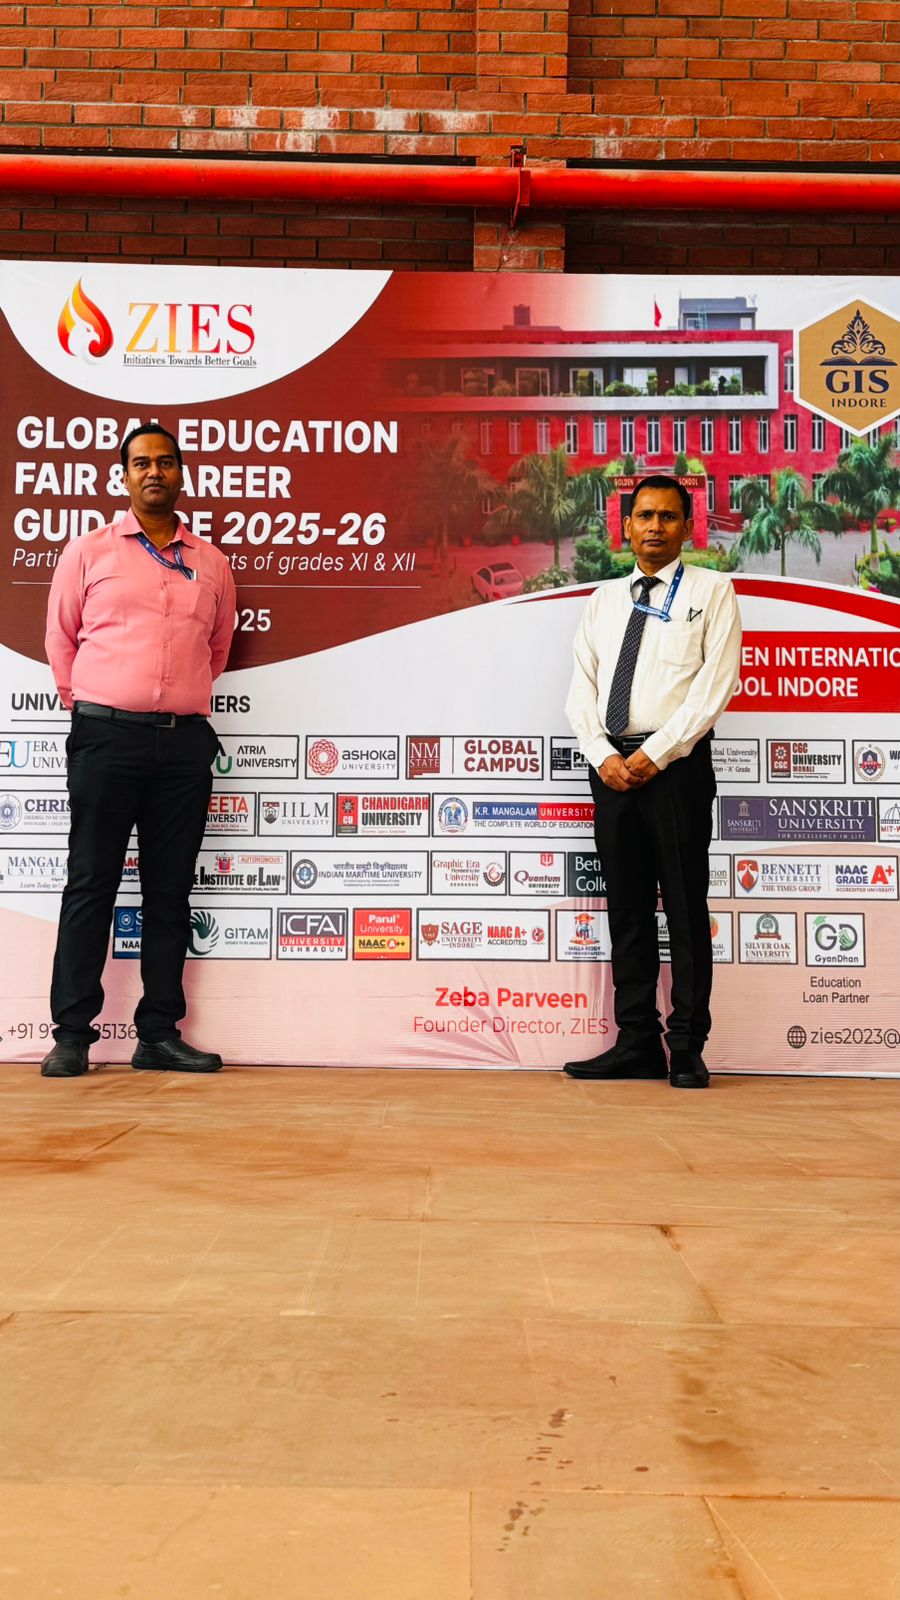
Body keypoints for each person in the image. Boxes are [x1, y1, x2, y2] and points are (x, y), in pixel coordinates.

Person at [40, 423, 237, 1078]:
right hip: (105, 737)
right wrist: (95, 706)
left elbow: (217, 648)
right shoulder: (88, 551)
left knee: (169, 891)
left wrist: (172, 701)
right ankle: (72, 1035)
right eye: (141, 462)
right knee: (91, 882)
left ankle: (158, 1035)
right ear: (123, 476)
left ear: (182, 474)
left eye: (166, 462)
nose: (154, 471)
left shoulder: (211, 562)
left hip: (182, 746)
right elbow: (61, 639)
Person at [564, 475, 742, 1089]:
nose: (655, 527)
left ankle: (686, 1046)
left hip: (676, 768)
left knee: (686, 908)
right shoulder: (603, 600)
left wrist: (655, 754)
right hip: (611, 770)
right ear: (627, 525)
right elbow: (582, 688)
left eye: (668, 516)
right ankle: (636, 1042)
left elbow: (714, 688)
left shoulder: (712, 592)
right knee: (629, 909)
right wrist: (601, 755)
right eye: (645, 516)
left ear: (687, 526)